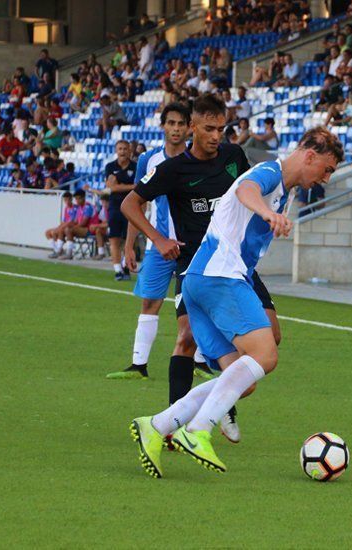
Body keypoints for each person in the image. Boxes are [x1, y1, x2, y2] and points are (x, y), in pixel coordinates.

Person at [129, 126, 343, 477]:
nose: (326, 178)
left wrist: (270, 211)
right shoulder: (270, 173)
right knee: (266, 354)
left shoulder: (282, 189)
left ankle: (158, 424)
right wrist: (267, 214)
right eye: (327, 168)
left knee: (244, 379)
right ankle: (198, 430)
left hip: (200, 280)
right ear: (310, 156)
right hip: (220, 277)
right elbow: (246, 189)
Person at [119, 94, 280, 447]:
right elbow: (130, 203)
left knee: (271, 338)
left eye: (221, 128)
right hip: (196, 266)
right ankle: (172, 424)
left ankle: (222, 400)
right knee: (186, 336)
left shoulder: (234, 157)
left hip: (238, 264)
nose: (216, 136)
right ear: (193, 127)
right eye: (209, 128)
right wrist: (159, 240)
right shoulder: (174, 169)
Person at [106, 103, 193, 380]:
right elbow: (138, 204)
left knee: (196, 304)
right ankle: (139, 365)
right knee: (149, 302)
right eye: (171, 123)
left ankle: (201, 363)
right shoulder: (149, 160)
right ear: (163, 126)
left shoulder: (197, 160)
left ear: (189, 127)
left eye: (181, 124)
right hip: (158, 245)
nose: (176, 129)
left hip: (192, 246)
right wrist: (131, 245)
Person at [105, 141, 136, 280]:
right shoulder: (110, 166)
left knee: (128, 239)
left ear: (130, 150)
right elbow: (113, 188)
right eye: (120, 149)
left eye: (125, 149)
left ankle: (126, 267)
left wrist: (120, 185)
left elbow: (141, 186)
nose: (122, 151)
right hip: (115, 207)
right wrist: (132, 186)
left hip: (131, 207)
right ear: (116, 150)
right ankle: (118, 270)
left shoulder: (136, 166)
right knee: (114, 239)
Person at [60, 191, 95, 259]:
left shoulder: (88, 207)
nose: (77, 201)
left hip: (89, 229)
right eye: (76, 199)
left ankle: (69, 253)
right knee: (64, 229)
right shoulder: (79, 207)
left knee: (68, 230)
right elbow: (76, 221)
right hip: (81, 229)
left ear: (84, 198)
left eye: (79, 199)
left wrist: (72, 227)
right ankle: (59, 250)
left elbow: (83, 223)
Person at [46, 192, 78, 257]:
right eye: (65, 200)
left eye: (68, 200)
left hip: (71, 227)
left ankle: (58, 251)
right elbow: (64, 221)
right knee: (47, 232)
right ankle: (56, 249)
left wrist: (61, 227)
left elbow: (73, 221)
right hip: (64, 226)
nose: (67, 202)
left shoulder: (75, 208)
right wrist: (60, 226)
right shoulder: (66, 208)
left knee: (58, 231)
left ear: (71, 199)